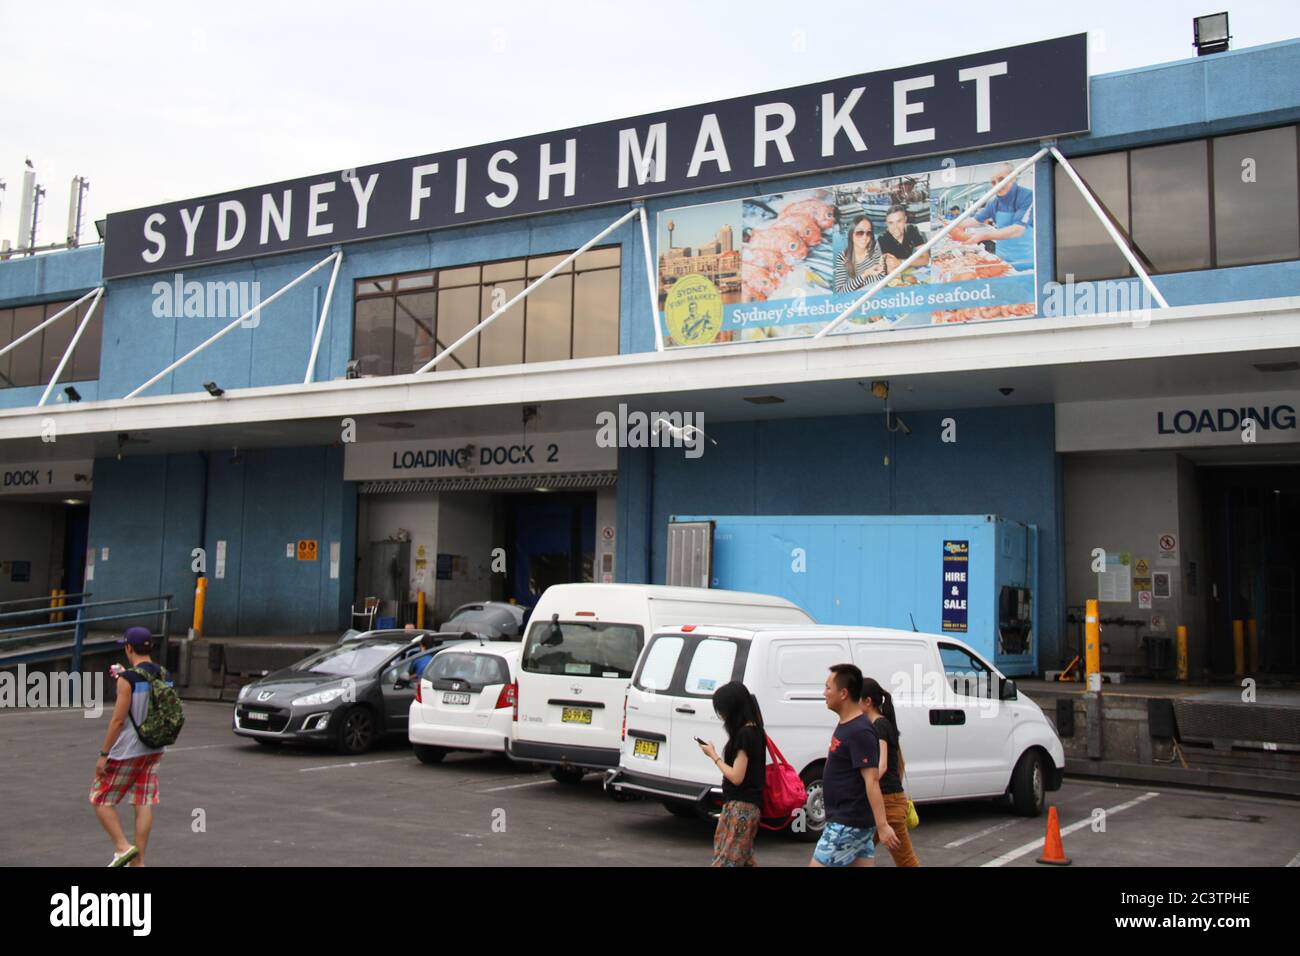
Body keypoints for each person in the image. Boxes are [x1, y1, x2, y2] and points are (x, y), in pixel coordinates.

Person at [90, 626, 169, 867]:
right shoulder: (162, 674)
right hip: (154, 748)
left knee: (100, 799)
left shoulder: (127, 680)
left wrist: (104, 754)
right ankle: (139, 862)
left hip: (128, 750)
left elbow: (117, 721)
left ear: (128, 648)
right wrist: (126, 676)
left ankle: (123, 847)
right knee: (142, 801)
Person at [810, 664, 900, 867]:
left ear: (843, 693)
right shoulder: (847, 724)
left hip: (847, 823)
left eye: (828, 688)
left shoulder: (860, 731)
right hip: (850, 821)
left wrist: (883, 825)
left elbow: (872, 780)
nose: (824, 693)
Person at [699, 681, 766, 867]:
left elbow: (737, 777)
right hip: (745, 806)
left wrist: (713, 756)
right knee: (743, 860)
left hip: (742, 807)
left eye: (722, 711)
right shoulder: (756, 730)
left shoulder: (745, 734)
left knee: (726, 861)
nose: (721, 716)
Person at [861, 677, 921, 867]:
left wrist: (864, 783)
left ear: (868, 702)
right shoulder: (879, 724)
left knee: (906, 861)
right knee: (856, 855)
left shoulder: (879, 725)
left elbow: (883, 765)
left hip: (889, 803)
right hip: (885, 802)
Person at [967, 162, 1034, 268]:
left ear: (1013, 178)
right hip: (1002, 259)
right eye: (993, 182)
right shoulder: (994, 202)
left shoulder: (1027, 196)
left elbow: (1018, 230)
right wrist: (951, 225)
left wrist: (983, 236)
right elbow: (975, 220)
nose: (997, 185)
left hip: (1025, 261)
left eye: (1002, 179)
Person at [834, 216, 884, 292]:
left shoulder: (875, 247)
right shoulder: (842, 257)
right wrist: (865, 274)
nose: (865, 237)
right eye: (860, 233)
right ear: (851, 234)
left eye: (869, 232)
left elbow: (881, 276)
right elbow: (840, 292)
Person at [878, 206, 930, 273]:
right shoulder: (883, 238)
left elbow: (925, 259)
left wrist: (900, 262)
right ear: (887, 224)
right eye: (891, 223)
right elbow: (890, 267)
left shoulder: (912, 229)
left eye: (899, 221)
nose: (895, 227)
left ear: (905, 220)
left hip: (908, 269)